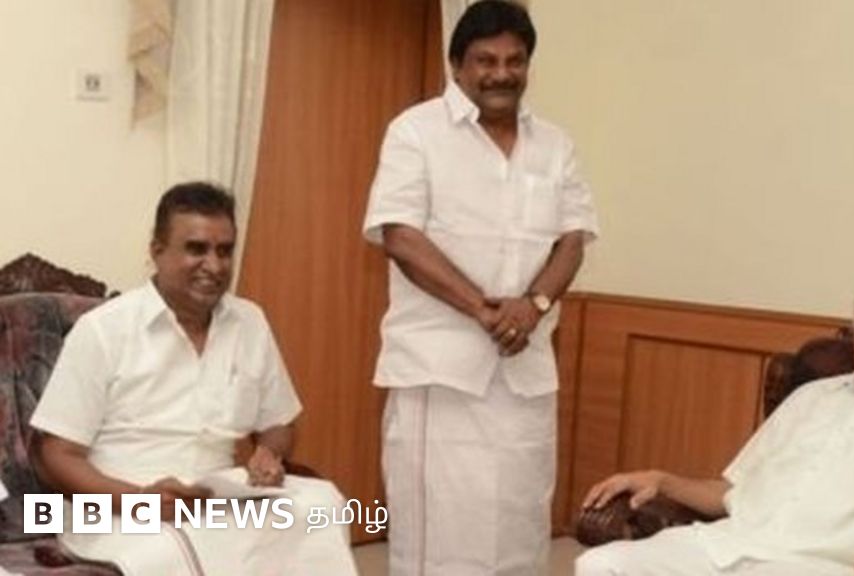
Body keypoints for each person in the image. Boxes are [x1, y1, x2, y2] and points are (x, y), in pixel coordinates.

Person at [362, 1, 598, 573]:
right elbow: (400, 236)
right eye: (485, 61)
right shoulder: (416, 132)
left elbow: (573, 239)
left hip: (524, 375)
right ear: (456, 65)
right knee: (440, 535)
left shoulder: (555, 145)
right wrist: (483, 310)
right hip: (440, 374)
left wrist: (534, 306)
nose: (501, 73)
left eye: (514, 61)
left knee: (519, 527)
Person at [576, 274, 854, 576]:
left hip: (825, 566)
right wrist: (664, 480)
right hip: (727, 548)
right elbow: (733, 493)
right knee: (600, 565)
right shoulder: (811, 397)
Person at [31, 182, 359, 576]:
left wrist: (269, 454)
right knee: (174, 549)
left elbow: (279, 424)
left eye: (224, 251)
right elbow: (56, 455)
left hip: (216, 498)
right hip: (119, 507)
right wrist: (140, 500)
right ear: (157, 251)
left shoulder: (250, 322)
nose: (215, 266)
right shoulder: (103, 330)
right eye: (196, 249)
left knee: (322, 505)